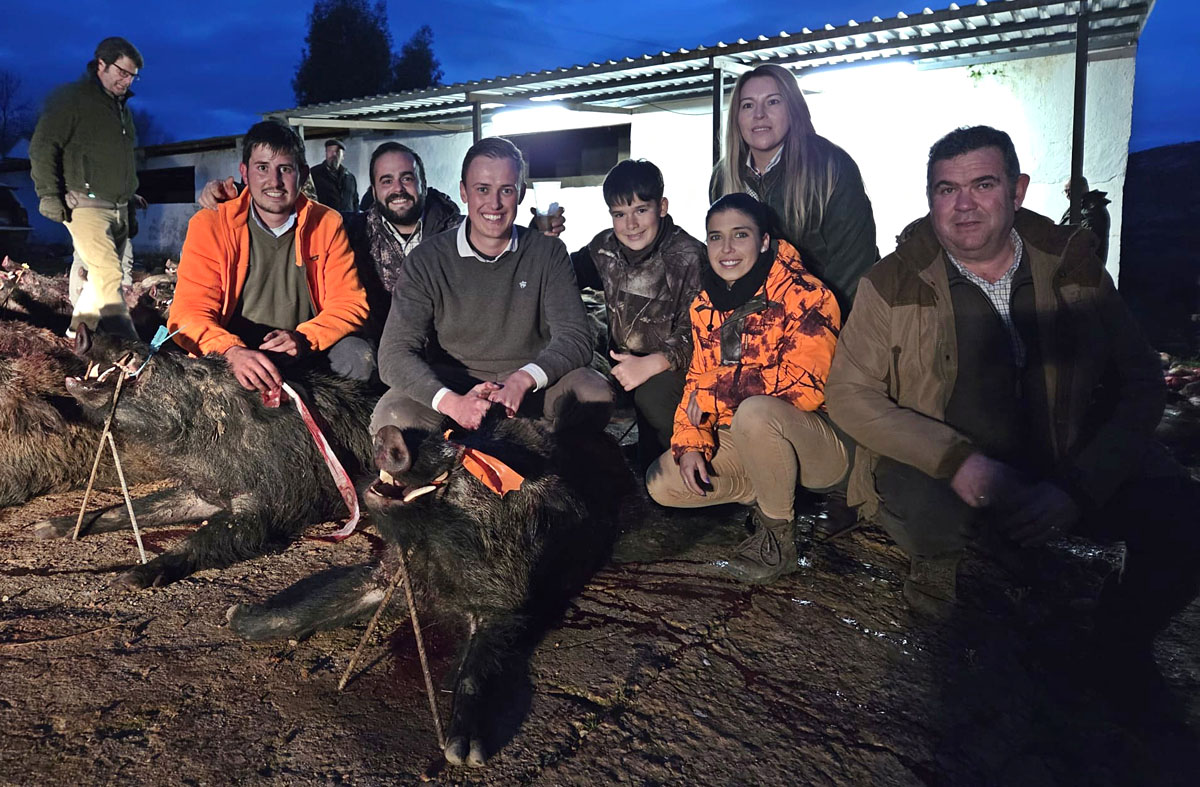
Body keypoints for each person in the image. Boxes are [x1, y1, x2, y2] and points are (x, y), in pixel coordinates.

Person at [826, 126, 1200, 680]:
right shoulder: (892, 282)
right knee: (917, 508)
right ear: (930, 198)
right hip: (954, 456)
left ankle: (1117, 633)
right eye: (947, 190)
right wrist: (954, 460)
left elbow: (1141, 381)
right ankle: (946, 562)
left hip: (1066, 448)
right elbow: (848, 392)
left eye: (982, 184)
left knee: (1185, 518)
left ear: (1017, 190)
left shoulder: (1073, 267)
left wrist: (1079, 485)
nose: (964, 205)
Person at [646, 193, 847, 585]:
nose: (727, 248)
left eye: (740, 235)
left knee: (755, 412)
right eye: (715, 237)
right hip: (749, 437)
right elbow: (697, 381)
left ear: (764, 241)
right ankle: (770, 490)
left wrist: (718, 391)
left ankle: (777, 537)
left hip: (819, 444)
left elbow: (807, 386)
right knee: (664, 483)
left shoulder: (808, 295)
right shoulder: (705, 306)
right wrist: (691, 443)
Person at [371, 136, 609, 434]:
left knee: (593, 393)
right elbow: (393, 354)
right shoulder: (426, 260)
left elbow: (575, 337)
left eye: (506, 190)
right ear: (463, 191)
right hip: (456, 384)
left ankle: (558, 458)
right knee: (393, 415)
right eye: (482, 189)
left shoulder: (549, 253)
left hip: (532, 382)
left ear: (521, 193)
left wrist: (524, 378)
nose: (494, 204)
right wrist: (452, 403)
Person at [168, 120, 371, 393]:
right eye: (262, 167)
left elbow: (350, 303)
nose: (274, 182)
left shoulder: (326, 223)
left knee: (357, 356)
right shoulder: (211, 225)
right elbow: (187, 313)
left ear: (303, 174)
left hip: (302, 351)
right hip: (235, 355)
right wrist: (229, 350)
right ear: (244, 172)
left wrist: (304, 339)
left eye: (285, 169)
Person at [710, 63, 878, 316]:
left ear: (793, 108)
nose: (759, 115)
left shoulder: (831, 166)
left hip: (823, 318)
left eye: (773, 102)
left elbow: (853, 264)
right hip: (756, 324)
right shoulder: (723, 177)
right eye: (748, 105)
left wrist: (819, 323)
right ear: (737, 117)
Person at [570, 159, 704, 466]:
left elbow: (699, 328)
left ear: (662, 207)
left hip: (675, 367)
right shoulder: (604, 248)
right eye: (620, 214)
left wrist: (654, 363)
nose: (630, 224)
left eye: (641, 210)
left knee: (652, 401)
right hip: (622, 362)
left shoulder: (688, 256)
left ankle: (674, 468)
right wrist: (544, 238)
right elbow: (564, 275)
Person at [29, 36, 143, 338]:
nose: (128, 80)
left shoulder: (123, 111)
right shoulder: (72, 99)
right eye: (122, 72)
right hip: (86, 205)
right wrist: (49, 194)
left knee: (99, 280)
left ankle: (76, 336)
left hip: (118, 208)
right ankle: (131, 345)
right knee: (109, 275)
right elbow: (43, 146)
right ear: (101, 64)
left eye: (133, 75)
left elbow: (123, 164)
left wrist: (130, 202)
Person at [340, 142, 462, 341]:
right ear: (374, 191)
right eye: (387, 181)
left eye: (406, 178)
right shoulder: (354, 234)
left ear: (423, 183)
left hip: (451, 349)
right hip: (381, 349)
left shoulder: (460, 234)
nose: (398, 189)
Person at [1059, 176, 1111, 264]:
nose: (1067, 195)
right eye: (1065, 191)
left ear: (1082, 188)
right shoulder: (1078, 207)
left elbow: (1087, 240)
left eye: (1069, 191)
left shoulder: (1092, 209)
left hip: (1085, 266)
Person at [310, 138, 359, 212]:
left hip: (347, 219)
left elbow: (355, 202)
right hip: (324, 218)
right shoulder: (314, 174)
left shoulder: (350, 178)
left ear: (343, 155)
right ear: (326, 153)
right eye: (330, 151)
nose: (334, 154)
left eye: (337, 151)